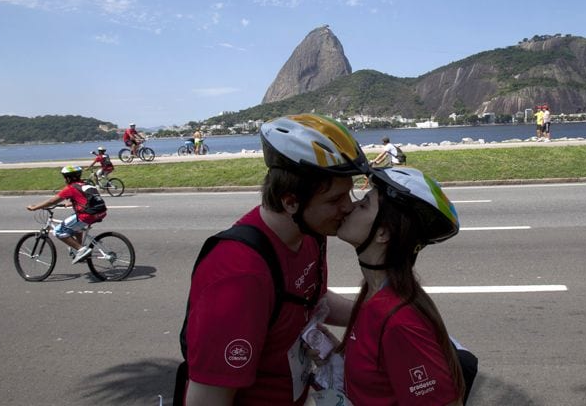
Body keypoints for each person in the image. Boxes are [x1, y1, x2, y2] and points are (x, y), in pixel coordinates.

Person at [179, 114, 370, 405]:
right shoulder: (239, 275)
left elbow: (309, 298)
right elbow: (205, 399)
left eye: (349, 193)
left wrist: (378, 316)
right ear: (290, 201)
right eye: (334, 200)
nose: (349, 206)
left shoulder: (310, 234)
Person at [336, 166, 467, 405]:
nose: (350, 207)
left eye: (364, 205)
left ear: (383, 233)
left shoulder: (399, 320)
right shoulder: (374, 292)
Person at [26, 165, 107, 263]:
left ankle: (81, 249)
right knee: (77, 228)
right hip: (100, 212)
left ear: (68, 177)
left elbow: (52, 201)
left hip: (87, 215)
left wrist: (35, 207)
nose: (64, 179)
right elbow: (86, 198)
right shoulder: (85, 184)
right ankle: (78, 249)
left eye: (64, 177)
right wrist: (71, 202)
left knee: (58, 231)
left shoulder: (70, 188)